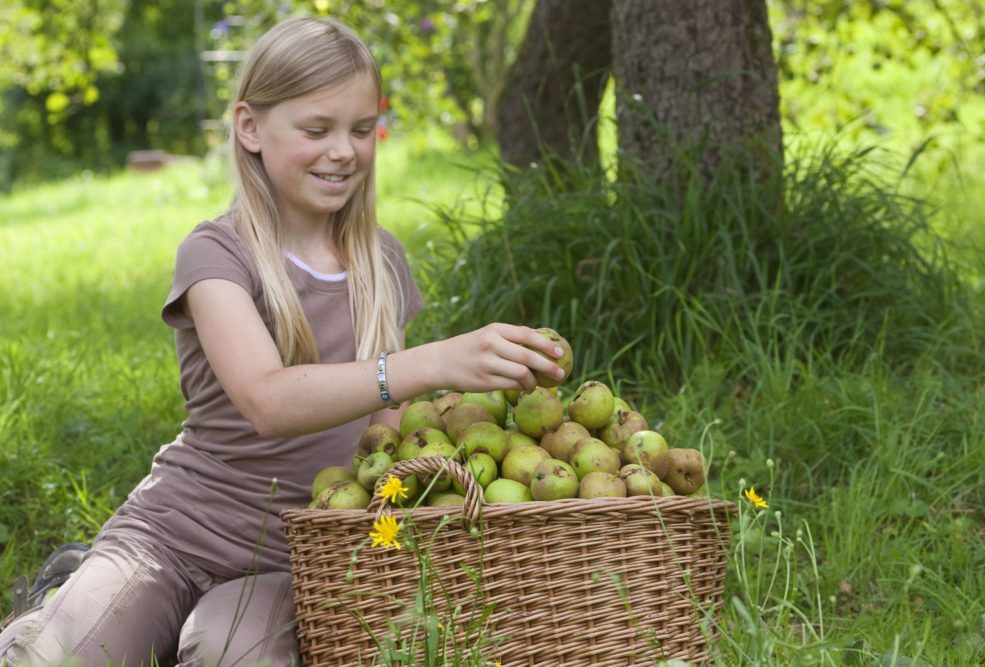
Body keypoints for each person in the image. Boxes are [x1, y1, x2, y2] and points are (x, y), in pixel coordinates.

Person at [0, 14, 565, 667]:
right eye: (316, 129)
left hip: (290, 561)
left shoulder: (383, 263)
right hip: (174, 532)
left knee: (229, 657)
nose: (344, 151)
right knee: (64, 657)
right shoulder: (216, 253)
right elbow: (267, 400)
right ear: (250, 128)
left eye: (361, 129)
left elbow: (381, 451)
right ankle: (59, 599)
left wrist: (386, 548)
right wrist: (431, 362)